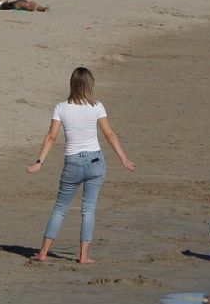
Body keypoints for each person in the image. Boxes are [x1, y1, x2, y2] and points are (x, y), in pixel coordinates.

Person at [25, 67, 137, 265]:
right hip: (95, 162)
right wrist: (123, 159)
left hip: (73, 163)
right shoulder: (97, 106)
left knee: (60, 209)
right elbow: (109, 134)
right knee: (89, 209)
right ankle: (83, 256)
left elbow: (51, 137)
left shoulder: (61, 107)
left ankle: (43, 253)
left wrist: (39, 162)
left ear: (72, 84)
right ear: (89, 85)